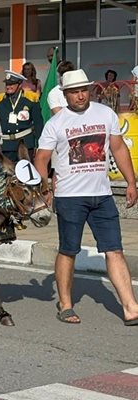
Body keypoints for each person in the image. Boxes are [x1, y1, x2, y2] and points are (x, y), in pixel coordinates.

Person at [34, 69, 138, 326]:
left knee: (114, 249)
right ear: (65, 94)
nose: (80, 96)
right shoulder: (56, 123)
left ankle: (130, 305)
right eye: (74, 92)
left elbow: (118, 148)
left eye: (84, 90)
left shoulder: (105, 114)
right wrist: (44, 189)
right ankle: (66, 304)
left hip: (102, 196)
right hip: (70, 197)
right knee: (68, 250)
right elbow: (42, 158)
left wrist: (131, 182)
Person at [0, 70, 44, 162]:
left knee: (25, 174)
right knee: (9, 174)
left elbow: (38, 124)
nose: (8, 87)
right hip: (7, 145)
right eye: (7, 84)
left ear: (20, 84)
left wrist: (39, 145)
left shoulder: (30, 101)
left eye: (12, 84)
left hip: (25, 144)